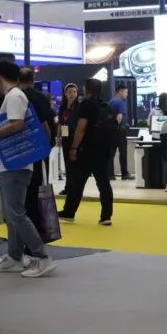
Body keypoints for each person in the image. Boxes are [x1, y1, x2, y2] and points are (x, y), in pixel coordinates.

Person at [0, 61, 55, 278]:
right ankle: (14, 256)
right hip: (10, 163)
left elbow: (16, 124)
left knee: (15, 213)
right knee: (11, 213)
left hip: (16, 164)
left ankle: (42, 256)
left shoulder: (14, 96)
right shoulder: (13, 96)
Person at [57, 78, 114, 226]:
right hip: (103, 149)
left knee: (77, 182)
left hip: (86, 150)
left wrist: (74, 148)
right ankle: (106, 216)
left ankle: (69, 212)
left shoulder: (86, 105)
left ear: (86, 89)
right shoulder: (105, 105)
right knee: (103, 183)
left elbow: (81, 128)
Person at [18, 67, 52, 239]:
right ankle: (38, 232)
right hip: (38, 150)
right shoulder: (41, 98)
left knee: (20, 197)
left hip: (19, 152)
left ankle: (25, 239)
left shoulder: (15, 97)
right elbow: (47, 127)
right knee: (36, 192)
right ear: (32, 80)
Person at [57, 83, 79, 196]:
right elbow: (61, 123)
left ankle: (75, 188)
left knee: (75, 165)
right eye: (70, 92)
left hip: (76, 139)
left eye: (74, 92)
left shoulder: (79, 107)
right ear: (65, 94)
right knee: (67, 165)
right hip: (66, 138)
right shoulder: (62, 108)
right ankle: (68, 187)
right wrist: (58, 137)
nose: (72, 94)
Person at [109, 83, 134, 181]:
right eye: (126, 92)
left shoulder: (111, 101)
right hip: (119, 131)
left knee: (111, 153)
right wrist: (119, 126)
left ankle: (110, 174)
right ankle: (125, 174)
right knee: (123, 152)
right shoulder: (119, 102)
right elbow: (119, 117)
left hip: (111, 131)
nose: (126, 94)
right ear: (120, 91)